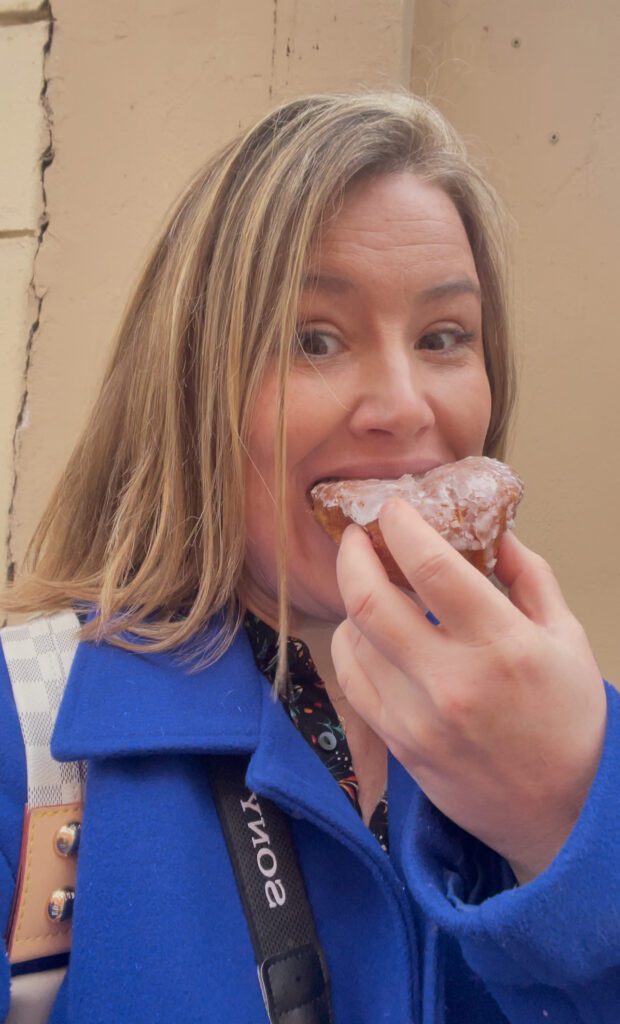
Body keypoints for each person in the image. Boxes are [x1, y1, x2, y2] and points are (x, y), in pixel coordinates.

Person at [0, 91, 617, 1023]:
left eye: (444, 337)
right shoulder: (27, 737)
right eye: (312, 339)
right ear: (194, 392)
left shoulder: (577, 738)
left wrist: (566, 829)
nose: (406, 408)